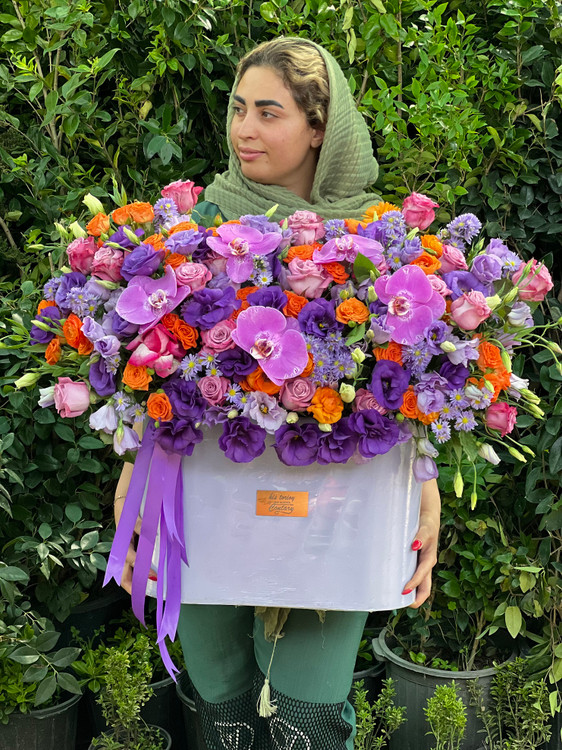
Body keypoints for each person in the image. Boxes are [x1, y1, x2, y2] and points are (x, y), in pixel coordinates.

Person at [114, 37, 441, 750]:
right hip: (204, 501)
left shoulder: (378, 240)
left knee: (308, 703)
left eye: (269, 113)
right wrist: (133, 478)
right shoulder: (197, 230)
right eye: (238, 110)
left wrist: (424, 490)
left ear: (320, 128)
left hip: (337, 506)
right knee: (218, 688)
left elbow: (412, 385)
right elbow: (155, 372)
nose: (245, 130)